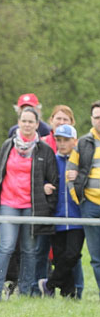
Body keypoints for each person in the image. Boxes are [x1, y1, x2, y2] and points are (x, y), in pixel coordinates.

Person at [0, 107, 58, 298]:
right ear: (18, 122)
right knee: (6, 247)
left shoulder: (44, 149)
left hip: (31, 206)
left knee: (29, 250)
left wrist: (47, 195)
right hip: (8, 204)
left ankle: (25, 292)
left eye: (31, 122)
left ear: (37, 124)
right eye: (24, 121)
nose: (27, 125)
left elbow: (53, 179)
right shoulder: (8, 145)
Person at [39, 124, 82, 297]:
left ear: (75, 141)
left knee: (72, 255)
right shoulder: (52, 160)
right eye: (59, 140)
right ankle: (68, 294)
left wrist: (79, 178)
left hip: (77, 219)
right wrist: (44, 187)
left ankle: (48, 283)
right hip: (56, 217)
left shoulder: (80, 162)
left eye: (66, 140)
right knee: (59, 257)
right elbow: (40, 179)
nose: (62, 144)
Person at [69, 100, 100, 300]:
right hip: (90, 205)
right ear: (91, 119)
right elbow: (70, 173)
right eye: (97, 117)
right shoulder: (83, 142)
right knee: (96, 257)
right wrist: (80, 200)